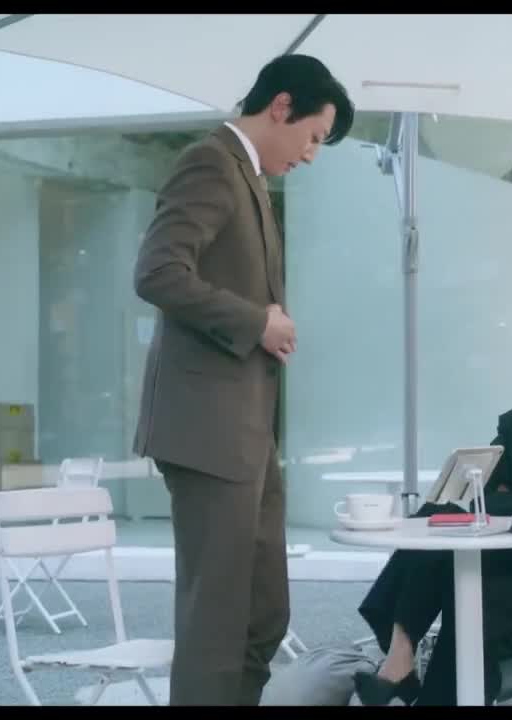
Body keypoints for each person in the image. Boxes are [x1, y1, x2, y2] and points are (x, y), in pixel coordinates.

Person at [131, 54, 355, 706]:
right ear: (281, 107)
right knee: (217, 623)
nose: (311, 154)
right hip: (208, 433)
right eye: (313, 136)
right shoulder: (210, 163)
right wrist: (257, 321)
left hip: (245, 433)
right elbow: (157, 273)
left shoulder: (247, 176)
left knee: (261, 614)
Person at [353, 297, 512, 706]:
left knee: (477, 601)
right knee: (440, 516)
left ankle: (406, 671)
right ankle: (402, 658)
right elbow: (478, 497)